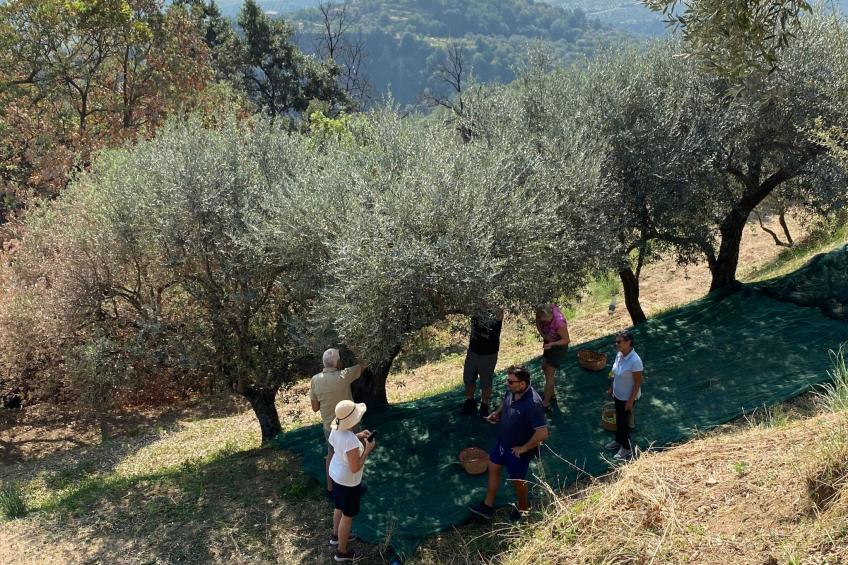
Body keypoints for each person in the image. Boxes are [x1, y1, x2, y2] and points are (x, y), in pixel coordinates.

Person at [468, 365, 548, 522]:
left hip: (518, 450)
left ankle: (523, 509)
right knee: (493, 466)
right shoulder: (513, 391)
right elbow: (506, 402)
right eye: (508, 380)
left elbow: (542, 433)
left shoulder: (533, 404)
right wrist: (497, 413)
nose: (507, 384)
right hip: (502, 442)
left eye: (511, 382)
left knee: (517, 481)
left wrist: (523, 448)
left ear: (522, 384)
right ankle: (487, 506)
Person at [310, 348, 364, 500]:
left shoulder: (315, 379)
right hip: (350, 424)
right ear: (338, 362)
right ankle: (354, 486)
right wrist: (353, 347)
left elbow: (315, 408)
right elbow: (364, 364)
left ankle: (330, 489)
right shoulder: (344, 375)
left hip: (330, 427)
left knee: (332, 454)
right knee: (354, 455)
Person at [328, 399, 375, 562]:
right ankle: (342, 552)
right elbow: (355, 467)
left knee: (338, 507)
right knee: (347, 516)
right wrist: (367, 450)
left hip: (336, 474)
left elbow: (342, 443)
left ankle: (336, 536)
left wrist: (358, 436)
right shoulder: (350, 440)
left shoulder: (336, 429)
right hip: (348, 482)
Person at [605, 330, 643, 461]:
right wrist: (611, 388)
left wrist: (630, 401)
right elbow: (614, 373)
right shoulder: (619, 354)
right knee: (619, 420)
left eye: (619, 342)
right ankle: (618, 440)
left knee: (623, 423)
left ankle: (626, 448)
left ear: (628, 342)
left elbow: (638, 383)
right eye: (616, 342)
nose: (616, 344)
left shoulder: (635, 360)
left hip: (627, 398)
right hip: (618, 395)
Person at [460, 308, 504, 418]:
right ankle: (470, 401)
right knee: (468, 378)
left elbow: (499, 314)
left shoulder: (497, 311)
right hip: (473, 351)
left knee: (486, 382)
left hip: (488, 353)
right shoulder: (475, 308)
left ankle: (484, 405)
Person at [535, 304, 570, 410]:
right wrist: (544, 336)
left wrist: (552, 344)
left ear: (549, 314)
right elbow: (537, 322)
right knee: (544, 367)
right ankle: (552, 393)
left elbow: (566, 340)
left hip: (558, 347)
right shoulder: (542, 311)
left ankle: (546, 402)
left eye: (543, 318)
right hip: (549, 343)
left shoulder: (559, 323)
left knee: (549, 375)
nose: (541, 320)